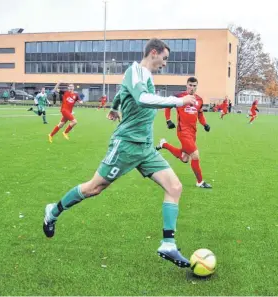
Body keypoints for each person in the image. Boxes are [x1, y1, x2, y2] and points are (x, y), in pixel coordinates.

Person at [42, 38, 197, 268]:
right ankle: (52, 212)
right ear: (153, 52)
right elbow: (142, 98)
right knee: (94, 187)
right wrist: (178, 101)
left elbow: (122, 91)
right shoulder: (135, 71)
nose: (165, 64)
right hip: (125, 144)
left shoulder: (144, 75)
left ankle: (167, 244)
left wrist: (115, 107)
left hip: (145, 147)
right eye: (164, 58)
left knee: (174, 187)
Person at [156, 77, 212, 189]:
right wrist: (168, 120)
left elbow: (200, 114)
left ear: (197, 86)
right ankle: (200, 182)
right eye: (190, 85)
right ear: (187, 85)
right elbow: (168, 106)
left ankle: (164, 144)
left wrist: (205, 124)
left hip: (193, 132)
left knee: (185, 158)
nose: (192, 87)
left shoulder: (199, 100)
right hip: (183, 131)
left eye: (194, 85)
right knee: (195, 155)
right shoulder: (179, 97)